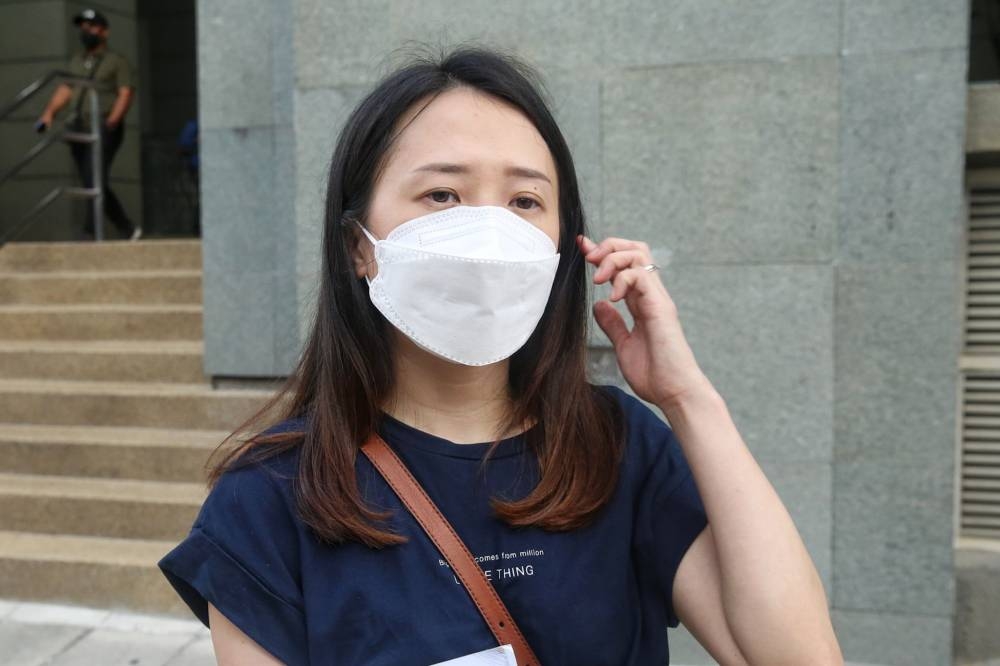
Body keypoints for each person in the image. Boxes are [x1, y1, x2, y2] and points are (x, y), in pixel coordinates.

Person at [158, 47, 843, 665]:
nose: (489, 230)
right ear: (358, 245)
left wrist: (689, 398)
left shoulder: (620, 450)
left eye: (525, 200)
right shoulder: (268, 500)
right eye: (443, 195)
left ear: (561, 246)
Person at [36, 8, 140, 241]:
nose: (86, 31)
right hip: (79, 128)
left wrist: (113, 119)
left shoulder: (116, 61)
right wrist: (49, 114)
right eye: (83, 27)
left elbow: (125, 92)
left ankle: (90, 232)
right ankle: (127, 228)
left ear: (105, 32)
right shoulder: (77, 61)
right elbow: (65, 89)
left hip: (104, 125)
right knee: (92, 181)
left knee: (94, 178)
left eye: (91, 27)